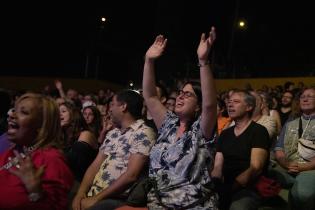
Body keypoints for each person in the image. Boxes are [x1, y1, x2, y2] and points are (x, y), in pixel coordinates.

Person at [142, 27, 218, 209]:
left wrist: (203, 61)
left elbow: (210, 104)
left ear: (198, 106)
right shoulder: (168, 124)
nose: (181, 96)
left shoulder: (201, 130)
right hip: (158, 204)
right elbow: (150, 96)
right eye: (180, 93)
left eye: (188, 95)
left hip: (193, 205)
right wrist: (148, 61)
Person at [72, 90, 156, 210]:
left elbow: (131, 175)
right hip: (95, 193)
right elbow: (95, 165)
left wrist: (96, 199)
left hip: (114, 199)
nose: (110, 109)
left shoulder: (144, 133)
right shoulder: (113, 133)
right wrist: (80, 193)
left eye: (112, 104)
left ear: (123, 106)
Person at [0, 93, 74, 209]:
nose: (11, 115)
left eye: (23, 112)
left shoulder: (51, 160)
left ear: (41, 126)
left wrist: (35, 192)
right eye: (14, 110)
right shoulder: (11, 152)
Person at [211, 90, 270, 210]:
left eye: (236, 102)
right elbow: (217, 166)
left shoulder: (259, 131)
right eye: (229, 102)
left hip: (249, 187)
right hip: (226, 185)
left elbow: (255, 168)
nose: (230, 104)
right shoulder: (225, 134)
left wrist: (231, 187)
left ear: (249, 107)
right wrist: (215, 184)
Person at [273, 87, 315, 210]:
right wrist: (285, 163)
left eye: (310, 96)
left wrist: (304, 167)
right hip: (287, 165)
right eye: (302, 97)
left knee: (302, 195)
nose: (305, 99)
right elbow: (279, 148)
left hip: (310, 168)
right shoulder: (291, 122)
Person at [59, 101, 98, 182]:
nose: (59, 114)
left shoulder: (85, 134)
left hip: (84, 182)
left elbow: (77, 167)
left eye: (63, 111)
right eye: (58, 112)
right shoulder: (63, 135)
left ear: (73, 114)